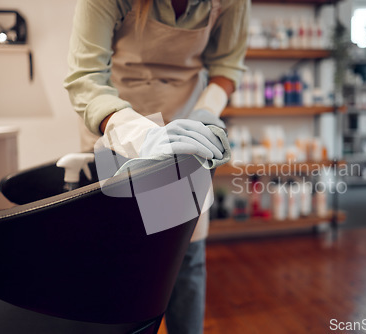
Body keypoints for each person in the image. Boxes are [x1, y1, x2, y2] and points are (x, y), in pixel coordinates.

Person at [64, 0, 249, 333]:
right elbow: (85, 77)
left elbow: (227, 65)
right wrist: (140, 134)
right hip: (118, 124)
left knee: (181, 256)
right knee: (120, 263)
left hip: (184, 122)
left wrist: (205, 112)